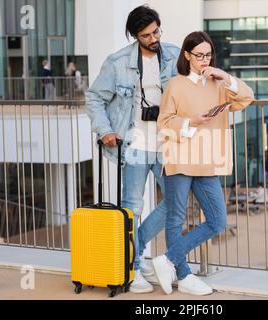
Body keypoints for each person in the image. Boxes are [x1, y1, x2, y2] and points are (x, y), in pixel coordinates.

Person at [85, 5, 180, 294]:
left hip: (167, 144)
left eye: (156, 31)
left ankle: (131, 250)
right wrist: (105, 131)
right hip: (135, 144)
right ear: (135, 35)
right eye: (147, 34)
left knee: (177, 203)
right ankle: (134, 267)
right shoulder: (117, 62)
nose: (154, 38)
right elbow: (94, 98)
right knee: (133, 207)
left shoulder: (175, 55)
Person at [153, 31, 254, 296]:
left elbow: (247, 98)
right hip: (180, 158)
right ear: (187, 55)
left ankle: (167, 260)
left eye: (208, 55)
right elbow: (163, 124)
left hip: (207, 161)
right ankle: (184, 275)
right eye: (199, 55)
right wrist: (190, 122)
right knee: (175, 219)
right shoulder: (175, 84)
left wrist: (226, 77)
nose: (204, 60)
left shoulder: (219, 84)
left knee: (218, 221)